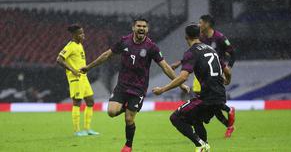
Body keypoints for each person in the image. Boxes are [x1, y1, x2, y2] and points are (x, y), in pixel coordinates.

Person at [80, 18, 189, 152]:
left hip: (138, 88)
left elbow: (165, 67)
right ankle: (127, 107)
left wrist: (179, 83)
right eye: (139, 26)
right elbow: (107, 54)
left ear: (147, 29)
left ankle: (128, 146)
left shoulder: (151, 47)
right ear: (133, 28)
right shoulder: (124, 41)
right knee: (111, 112)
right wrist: (89, 67)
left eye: (144, 26)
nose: (141, 28)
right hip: (122, 85)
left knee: (129, 119)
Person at [153, 24, 232, 152]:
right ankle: (204, 146)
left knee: (175, 118)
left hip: (206, 97)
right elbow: (227, 70)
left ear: (186, 37)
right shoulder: (212, 50)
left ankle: (201, 144)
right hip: (221, 96)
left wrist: (163, 89)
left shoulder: (191, 53)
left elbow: (183, 77)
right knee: (196, 119)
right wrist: (227, 80)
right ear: (200, 35)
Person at [171, 14, 236, 137]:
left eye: (200, 22)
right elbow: (195, 55)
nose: (199, 25)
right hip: (204, 71)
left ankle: (227, 111)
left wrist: (228, 69)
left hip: (215, 72)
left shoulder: (220, 37)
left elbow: (232, 53)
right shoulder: (203, 39)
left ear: (207, 23)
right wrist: (180, 63)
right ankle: (228, 124)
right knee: (211, 103)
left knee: (207, 100)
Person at [56, 24, 99, 136]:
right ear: (74, 35)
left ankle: (88, 128)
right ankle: (77, 130)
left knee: (90, 101)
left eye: (83, 33)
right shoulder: (70, 46)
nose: (83, 35)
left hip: (84, 78)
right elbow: (59, 59)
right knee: (77, 103)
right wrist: (73, 70)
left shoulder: (80, 45)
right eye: (80, 33)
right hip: (75, 78)